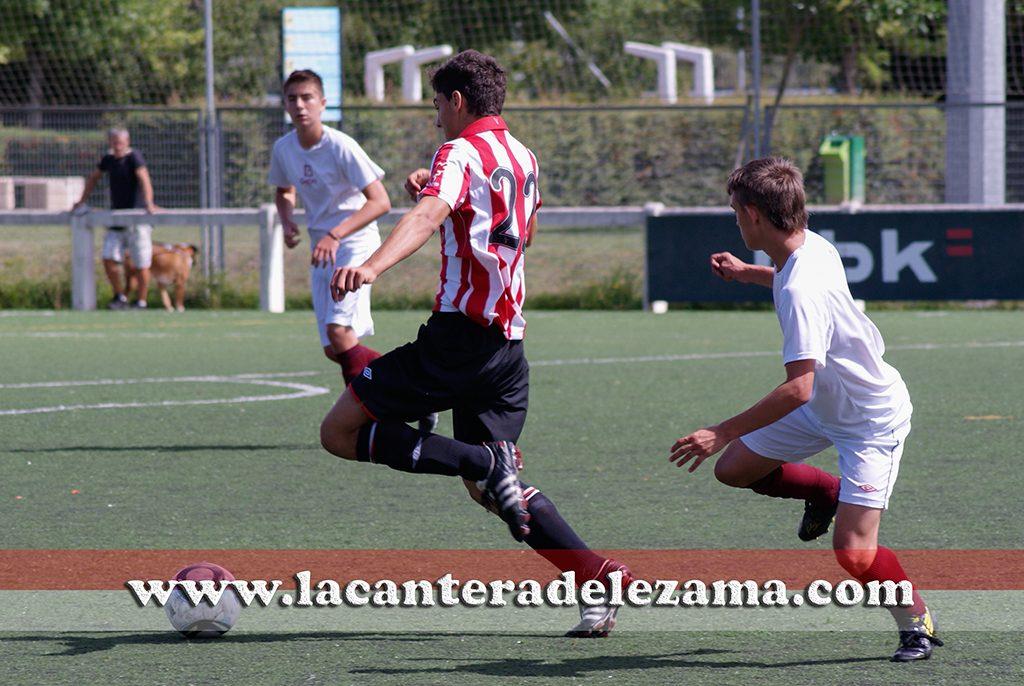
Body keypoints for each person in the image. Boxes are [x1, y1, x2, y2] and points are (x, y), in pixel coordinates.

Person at [319, 50, 631, 637]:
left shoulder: (458, 152)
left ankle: (484, 459)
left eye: (438, 104)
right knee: (488, 492)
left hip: (458, 341)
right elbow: (521, 232)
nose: (436, 117)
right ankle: (597, 575)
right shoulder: (524, 156)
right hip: (507, 347)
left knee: (338, 433)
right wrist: (436, 196)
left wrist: (374, 266)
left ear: (458, 101)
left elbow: (433, 213)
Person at [669, 157, 942, 662]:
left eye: (734, 211)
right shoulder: (813, 246)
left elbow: (797, 388)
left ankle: (915, 620)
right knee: (736, 471)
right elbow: (794, 287)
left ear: (753, 214)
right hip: (827, 404)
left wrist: (719, 431)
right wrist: (746, 273)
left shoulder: (799, 287)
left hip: (869, 420)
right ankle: (828, 492)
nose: (733, 219)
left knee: (853, 553)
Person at [268, 69, 392, 389]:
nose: (300, 105)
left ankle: (364, 417)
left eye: (307, 97)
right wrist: (287, 222)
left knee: (339, 332)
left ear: (323, 103)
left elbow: (380, 201)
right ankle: (408, 386)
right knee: (333, 347)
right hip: (321, 248)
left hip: (354, 243)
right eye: (292, 99)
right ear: (285, 105)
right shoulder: (284, 148)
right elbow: (283, 191)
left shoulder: (341, 146)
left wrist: (336, 234)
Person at [73, 128, 157, 309]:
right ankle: (120, 296)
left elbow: (144, 179)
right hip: (116, 219)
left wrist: (149, 202)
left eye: (120, 142)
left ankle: (141, 301)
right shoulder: (108, 159)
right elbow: (94, 178)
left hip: (137, 219)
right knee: (108, 258)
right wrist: (81, 201)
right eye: (113, 142)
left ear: (127, 141)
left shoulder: (135, 157)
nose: (117, 145)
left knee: (142, 263)